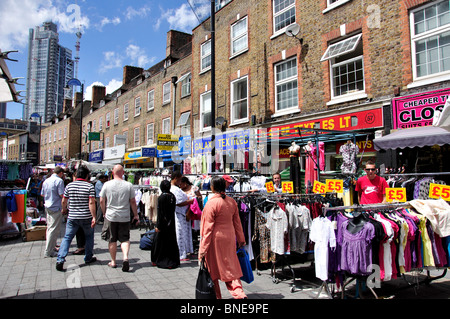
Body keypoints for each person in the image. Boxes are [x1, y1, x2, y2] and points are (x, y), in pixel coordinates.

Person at [198, 176, 247, 299]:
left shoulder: (211, 204)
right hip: (229, 238)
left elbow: (207, 229)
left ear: (212, 187)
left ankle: (216, 296)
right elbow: (237, 223)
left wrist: (202, 250)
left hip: (215, 239)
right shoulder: (231, 202)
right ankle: (239, 293)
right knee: (230, 266)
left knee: (212, 268)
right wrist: (241, 240)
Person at [56, 166, 97, 271]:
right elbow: (91, 202)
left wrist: (64, 209)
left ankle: (60, 259)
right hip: (86, 217)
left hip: (73, 217)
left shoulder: (69, 186)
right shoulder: (89, 186)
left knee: (67, 238)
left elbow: (64, 200)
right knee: (88, 237)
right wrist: (94, 216)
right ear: (87, 175)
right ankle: (88, 257)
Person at [100, 164, 139, 272]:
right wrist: (136, 215)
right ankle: (125, 258)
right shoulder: (129, 185)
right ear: (123, 173)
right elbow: (132, 202)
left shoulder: (107, 185)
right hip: (124, 216)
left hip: (111, 216)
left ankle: (113, 261)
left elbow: (102, 200)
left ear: (112, 173)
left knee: (112, 239)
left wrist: (104, 212)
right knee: (125, 239)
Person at [151, 180, 180, 269]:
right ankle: (172, 261)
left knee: (161, 243)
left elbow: (160, 213)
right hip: (171, 223)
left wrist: (158, 225)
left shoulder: (161, 198)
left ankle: (161, 260)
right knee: (171, 242)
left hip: (163, 224)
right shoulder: (172, 196)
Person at [41, 167, 65, 258]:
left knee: (49, 228)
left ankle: (52, 246)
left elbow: (42, 194)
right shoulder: (59, 181)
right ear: (61, 173)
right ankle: (48, 251)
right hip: (55, 206)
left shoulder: (46, 181)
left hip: (47, 205)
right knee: (53, 229)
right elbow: (61, 194)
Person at [170, 171, 194, 261]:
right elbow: (178, 203)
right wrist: (190, 201)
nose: (180, 182)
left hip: (182, 214)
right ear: (175, 178)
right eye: (180, 179)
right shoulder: (174, 189)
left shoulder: (174, 188)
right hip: (179, 214)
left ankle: (183, 252)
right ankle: (181, 254)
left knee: (182, 233)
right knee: (180, 233)